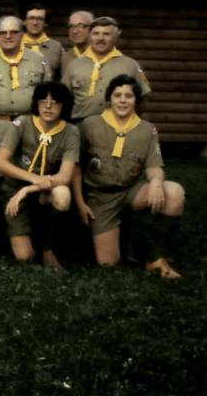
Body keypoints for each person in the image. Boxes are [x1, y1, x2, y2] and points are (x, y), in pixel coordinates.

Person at [72, 75, 183, 278]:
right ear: (110, 98)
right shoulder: (90, 125)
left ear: (136, 99)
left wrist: (156, 182)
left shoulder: (147, 129)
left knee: (174, 192)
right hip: (100, 197)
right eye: (117, 95)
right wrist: (80, 202)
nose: (123, 100)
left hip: (130, 191)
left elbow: (154, 166)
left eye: (129, 96)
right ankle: (123, 238)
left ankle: (156, 258)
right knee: (108, 262)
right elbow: (75, 166)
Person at [0, 81, 79, 266]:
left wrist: (29, 189)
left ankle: (49, 249)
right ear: (36, 103)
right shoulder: (22, 123)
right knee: (24, 257)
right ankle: (32, 241)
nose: (48, 106)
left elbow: (65, 177)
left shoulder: (71, 131)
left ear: (63, 105)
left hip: (45, 189)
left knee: (63, 194)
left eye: (54, 102)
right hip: (15, 188)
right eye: (43, 101)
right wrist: (33, 179)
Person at [0, 16, 47, 199]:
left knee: (29, 169)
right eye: (3, 32)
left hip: (28, 124)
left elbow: (46, 92)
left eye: (13, 32)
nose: (8, 36)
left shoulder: (38, 59)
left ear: (22, 34)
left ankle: (26, 211)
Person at [61, 16, 150, 122]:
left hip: (116, 125)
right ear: (89, 36)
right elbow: (63, 97)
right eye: (96, 33)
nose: (100, 38)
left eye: (106, 34)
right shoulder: (75, 65)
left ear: (115, 37)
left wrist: (128, 120)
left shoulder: (130, 65)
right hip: (80, 126)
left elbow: (143, 96)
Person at [22, 3, 64, 80]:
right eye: (31, 18)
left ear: (45, 23)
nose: (35, 23)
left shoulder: (56, 47)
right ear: (24, 21)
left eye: (40, 19)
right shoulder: (16, 45)